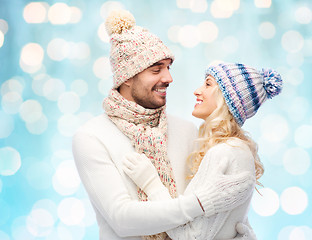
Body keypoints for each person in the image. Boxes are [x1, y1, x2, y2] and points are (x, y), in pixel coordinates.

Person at [72, 10, 254, 240]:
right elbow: (122, 220)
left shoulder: (187, 131)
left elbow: (209, 221)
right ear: (126, 77)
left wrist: (236, 232)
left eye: (169, 67)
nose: (168, 78)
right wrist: (200, 203)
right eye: (156, 69)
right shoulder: (92, 137)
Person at [122, 62, 283, 239]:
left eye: (208, 84)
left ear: (226, 98)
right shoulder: (239, 151)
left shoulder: (223, 153)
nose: (197, 91)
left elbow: (190, 236)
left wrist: (150, 183)